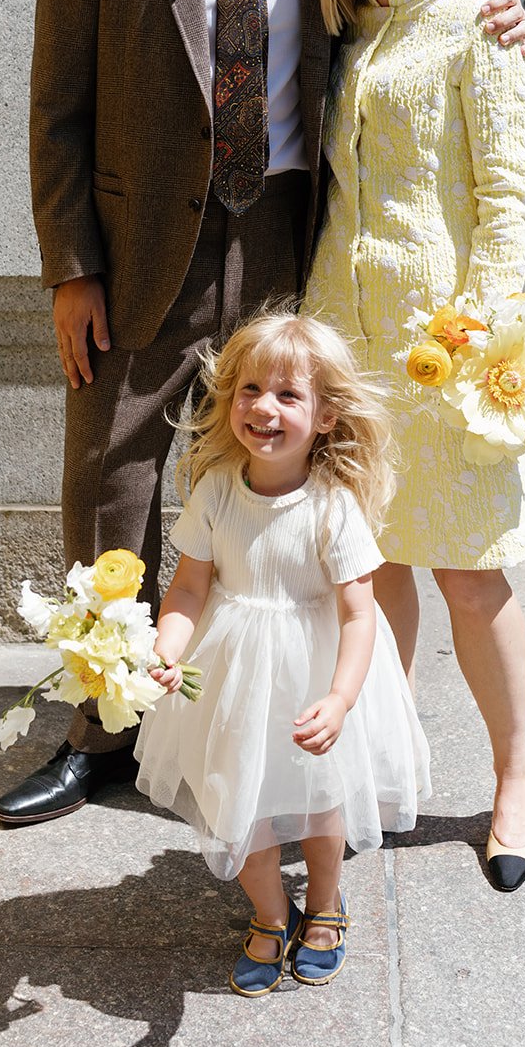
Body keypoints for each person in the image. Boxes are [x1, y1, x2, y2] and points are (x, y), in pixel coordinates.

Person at [0, 0, 525, 827]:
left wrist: (497, 5)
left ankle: (247, 719)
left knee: (279, 492)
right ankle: (96, 731)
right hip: (141, 256)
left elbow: (412, 16)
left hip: (292, 252)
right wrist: (69, 267)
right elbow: (55, 112)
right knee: (114, 479)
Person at [302, 0, 525, 891]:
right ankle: (385, 771)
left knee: (469, 570)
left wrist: (471, 328)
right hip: (342, 343)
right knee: (375, 562)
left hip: (443, 341)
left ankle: (515, 778)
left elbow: (506, 202)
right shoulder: (342, 24)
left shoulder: (475, 25)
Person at [136, 311, 429, 995]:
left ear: (326, 417)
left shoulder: (332, 508)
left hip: (312, 668)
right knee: (239, 795)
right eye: (248, 390)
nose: (262, 408)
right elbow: (187, 588)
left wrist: (339, 697)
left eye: (287, 396)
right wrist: (167, 649)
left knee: (323, 802)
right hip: (234, 670)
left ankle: (324, 901)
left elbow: (359, 615)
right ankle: (270, 912)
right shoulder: (215, 491)